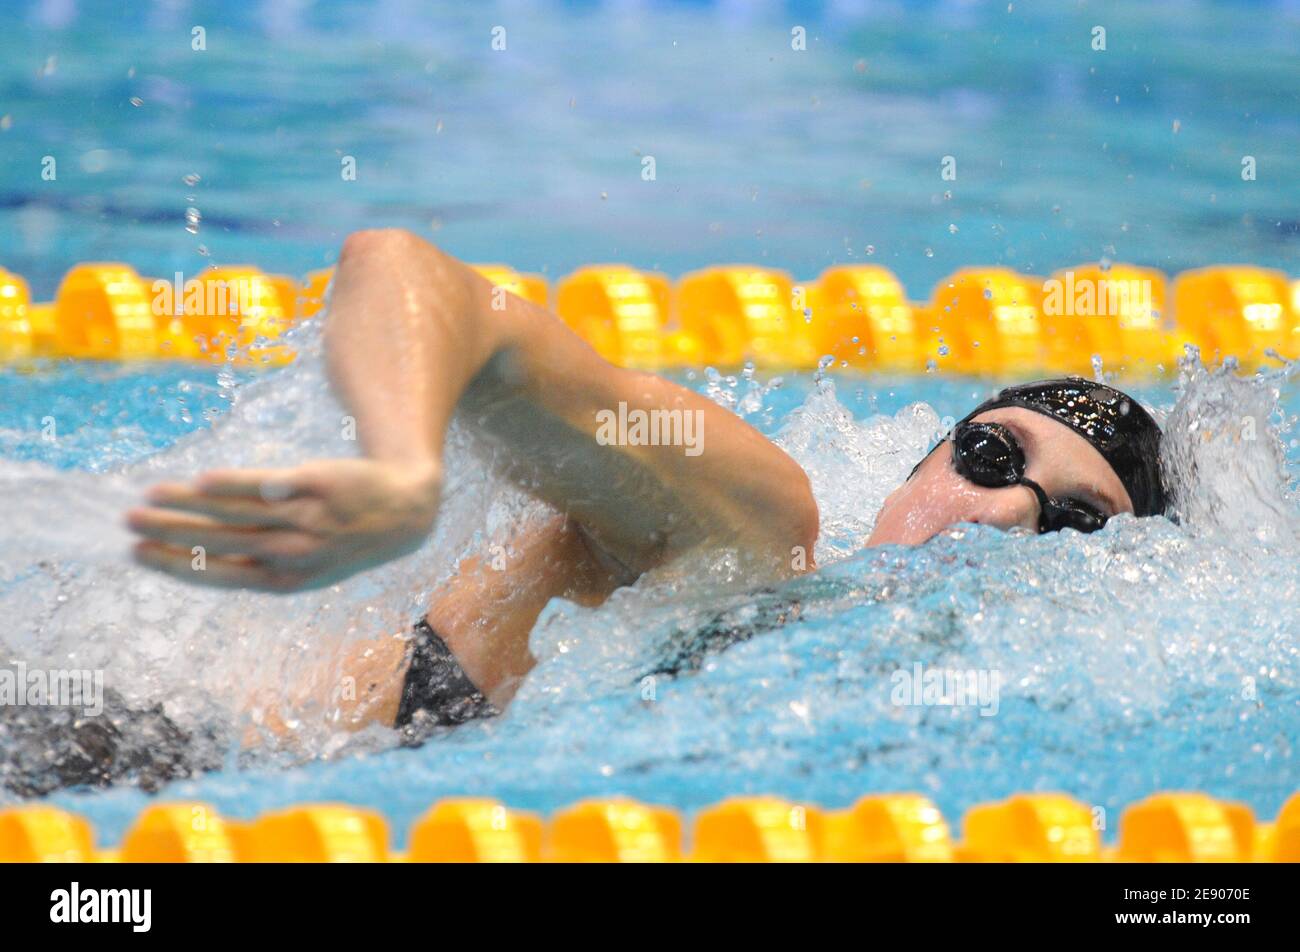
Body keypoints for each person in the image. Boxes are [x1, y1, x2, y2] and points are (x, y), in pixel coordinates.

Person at [121, 229, 1167, 745]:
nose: (999, 513)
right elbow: (402, 270)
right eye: (989, 458)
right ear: (921, 459)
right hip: (138, 748)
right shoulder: (754, 529)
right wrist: (399, 466)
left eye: (1070, 526)